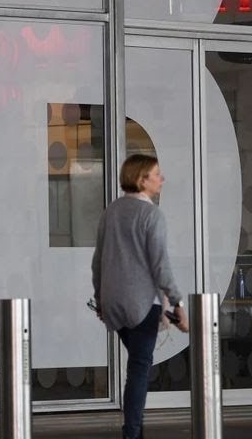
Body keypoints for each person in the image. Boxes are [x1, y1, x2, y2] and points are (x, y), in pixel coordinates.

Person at [91, 154, 188, 439]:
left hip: (114, 303)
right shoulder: (151, 215)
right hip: (142, 304)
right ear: (142, 179)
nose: (162, 179)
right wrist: (178, 303)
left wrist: (101, 299)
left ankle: (136, 430)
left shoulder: (110, 212)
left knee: (136, 361)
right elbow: (160, 265)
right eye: (156, 174)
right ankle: (131, 433)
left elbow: (97, 262)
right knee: (139, 368)